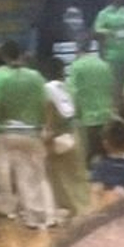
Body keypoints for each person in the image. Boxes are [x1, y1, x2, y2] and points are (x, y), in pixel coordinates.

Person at [0, 41, 55, 231]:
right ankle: (49, 216)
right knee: (41, 176)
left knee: (23, 177)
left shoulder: (1, 80)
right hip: (34, 131)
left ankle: (32, 218)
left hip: (11, 132)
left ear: (5, 57)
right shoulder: (36, 76)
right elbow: (48, 103)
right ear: (21, 54)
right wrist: (47, 127)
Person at [41, 54, 88, 216]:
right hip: (74, 130)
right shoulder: (68, 87)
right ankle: (84, 207)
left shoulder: (47, 89)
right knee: (77, 171)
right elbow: (78, 108)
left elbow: (48, 108)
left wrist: (48, 130)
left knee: (59, 174)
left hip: (59, 133)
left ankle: (69, 209)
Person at [69, 32, 117, 165]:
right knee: (106, 153)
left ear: (76, 48)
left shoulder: (76, 66)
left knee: (87, 157)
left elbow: (74, 92)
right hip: (106, 115)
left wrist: (75, 114)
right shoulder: (104, 65)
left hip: (87, 117)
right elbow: (112, 88)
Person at [93, 0, 124, 85]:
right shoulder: (103, 13)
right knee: (115, 85)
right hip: (112, 56)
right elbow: (97, 29)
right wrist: (109, 32)